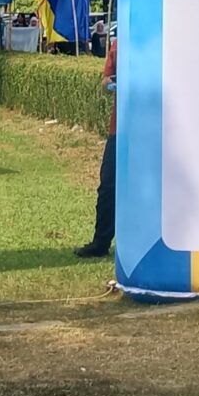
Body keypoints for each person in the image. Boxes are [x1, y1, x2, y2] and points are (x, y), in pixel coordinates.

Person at [74, 38, 118, 260]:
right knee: (108, 186)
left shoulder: (162, 40)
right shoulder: (119, 44)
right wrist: (111, 84)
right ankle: (100, 243)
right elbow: (105, 82)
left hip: (155, 131)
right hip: (120, 129)